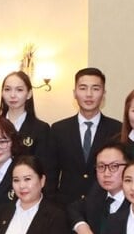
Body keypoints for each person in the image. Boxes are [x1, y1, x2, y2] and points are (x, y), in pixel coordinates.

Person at [49, 68, 123, 208]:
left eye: (95, 88)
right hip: (65, 207)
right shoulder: (59, 129)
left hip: (103, 207)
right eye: (83, 88)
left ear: (103, 93)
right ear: (75, 93)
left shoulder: (117, 129)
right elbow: (51, 175)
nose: (89, 94)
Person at [0, 71, 52, 170]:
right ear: (2, 93)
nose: (12, 95)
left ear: (29, 94)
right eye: (7, 89)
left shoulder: (41, 129)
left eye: (19, 90)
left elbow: (43, 167)